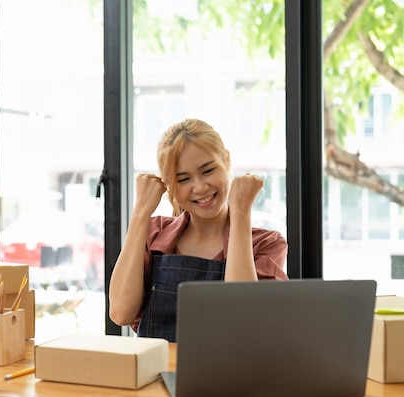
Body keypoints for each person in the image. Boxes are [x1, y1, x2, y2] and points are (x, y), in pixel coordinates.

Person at [109, 118, 288, 342]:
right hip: (155, 375)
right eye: (183, 179)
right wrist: (140, 213)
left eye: (208, 170)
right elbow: (120, 312)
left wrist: (241, 211)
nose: (200, 187)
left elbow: (244, 321)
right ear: (169, 184)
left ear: (227, 160)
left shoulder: (266, 244)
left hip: (232, 376)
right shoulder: (154, 234)